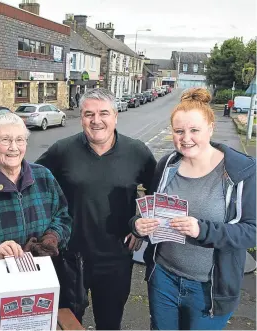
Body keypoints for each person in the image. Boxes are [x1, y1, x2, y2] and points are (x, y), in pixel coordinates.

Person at [130, 88, 256, 330]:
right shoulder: (167, 165)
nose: (185, 138)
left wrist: (202, 230)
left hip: (209, 288)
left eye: (194, 130)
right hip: (163, 279)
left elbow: (251, 231)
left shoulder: (241, 172)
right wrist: (137, 225)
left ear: (210, 127)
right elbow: (151, 212)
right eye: (179, 131)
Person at [36, 88, 157, 330]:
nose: (96, 120)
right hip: (70, 256)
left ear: (115, 115)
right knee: (67, 323)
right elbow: (34, 183)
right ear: (81, 117)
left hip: (116, 258)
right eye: (88, 114)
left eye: (103, 113)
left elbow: (156, 192)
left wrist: (139, 223)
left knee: (109, 323)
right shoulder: (63, 150)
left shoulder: (137, 152)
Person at [0, 113, 72, 318]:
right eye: (5, 140)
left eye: (20, 139)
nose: (13, 147)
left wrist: (53, 236)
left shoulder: (43, 176)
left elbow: (63, 216)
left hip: (40, 281)